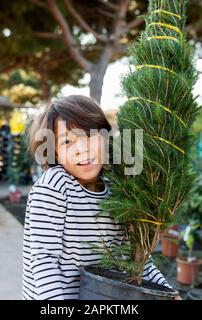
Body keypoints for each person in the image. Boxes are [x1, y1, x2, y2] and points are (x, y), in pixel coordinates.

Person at [21, 95, 179, 300]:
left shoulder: (117, 191)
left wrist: (170, 294)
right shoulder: (54, 186)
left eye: (89, 135)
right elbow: (43, 263)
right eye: (67, 141)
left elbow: (138, 260)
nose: (82, 149)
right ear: (54, 153)